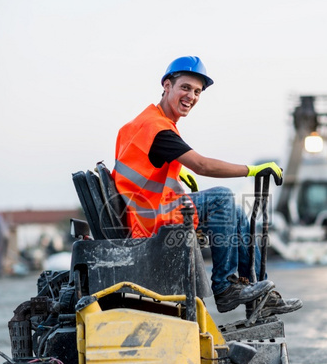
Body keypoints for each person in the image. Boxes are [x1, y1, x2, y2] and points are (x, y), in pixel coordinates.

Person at [112, 56, 302, 315]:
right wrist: (252, 170)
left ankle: (260, 293)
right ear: (166, 85)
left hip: (147, 211)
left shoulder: (146, 122)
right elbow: (202, 165)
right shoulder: (158, 129)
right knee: (222, 197)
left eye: (197, 91)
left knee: (235, 211)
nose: (191, 96)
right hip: (148, 219)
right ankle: (224, 288)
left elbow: (142, 170)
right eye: (185, 87)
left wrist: (175, 178)